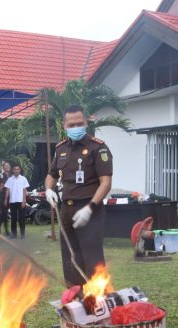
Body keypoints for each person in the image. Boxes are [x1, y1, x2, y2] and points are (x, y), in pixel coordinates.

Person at [44, 105, 112, 287]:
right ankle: (75, 298)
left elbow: (105, 183)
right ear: (64, 125)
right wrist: (49, 190)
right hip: (66, 209)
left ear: (86, 122)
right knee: (70, 257)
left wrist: (90, 208)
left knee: (92, 258)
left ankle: (98, 299)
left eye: (79, 123)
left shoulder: (98, 147)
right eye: (71, 124)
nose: (76, 128)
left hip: (90, 210)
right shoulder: (61, 149)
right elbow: (51, 174)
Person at [4, 164, 29, 239]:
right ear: (13, 170)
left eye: (17, 169)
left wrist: (24, 201)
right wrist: (5, 199)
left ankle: (22, 235)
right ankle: (14, 235)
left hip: (21, 201)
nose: (16, 170)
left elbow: (24, 190)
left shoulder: (23, 179)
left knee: (22, 219)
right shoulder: (10, 179)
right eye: (15, 169)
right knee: (13, 219)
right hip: (12, 201)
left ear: (20, 170)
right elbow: (7, 190)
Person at [0, 161, 12, 225]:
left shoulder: (12, 176)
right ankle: (2, 228)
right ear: (3, 167)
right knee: (4, 212)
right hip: (3, 196)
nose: (7, 167)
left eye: (8, 166)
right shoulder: (1, 175)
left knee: (6, 213)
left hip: (12, 197)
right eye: (6, 166)